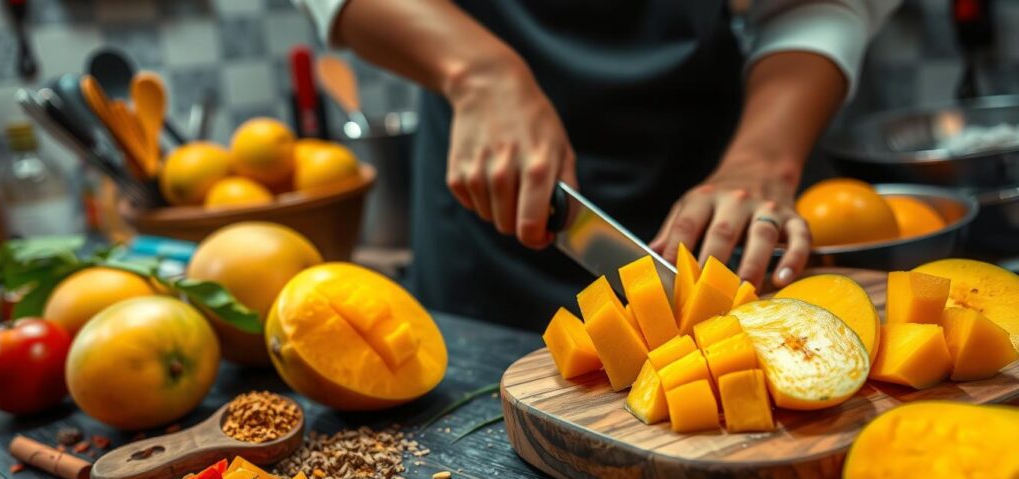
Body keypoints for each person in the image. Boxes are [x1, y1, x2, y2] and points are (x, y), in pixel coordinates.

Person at [295, 0, 899, 331]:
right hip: (489, 220)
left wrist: (763, 158)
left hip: (709, 163)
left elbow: (812, 7)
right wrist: (476, 71)